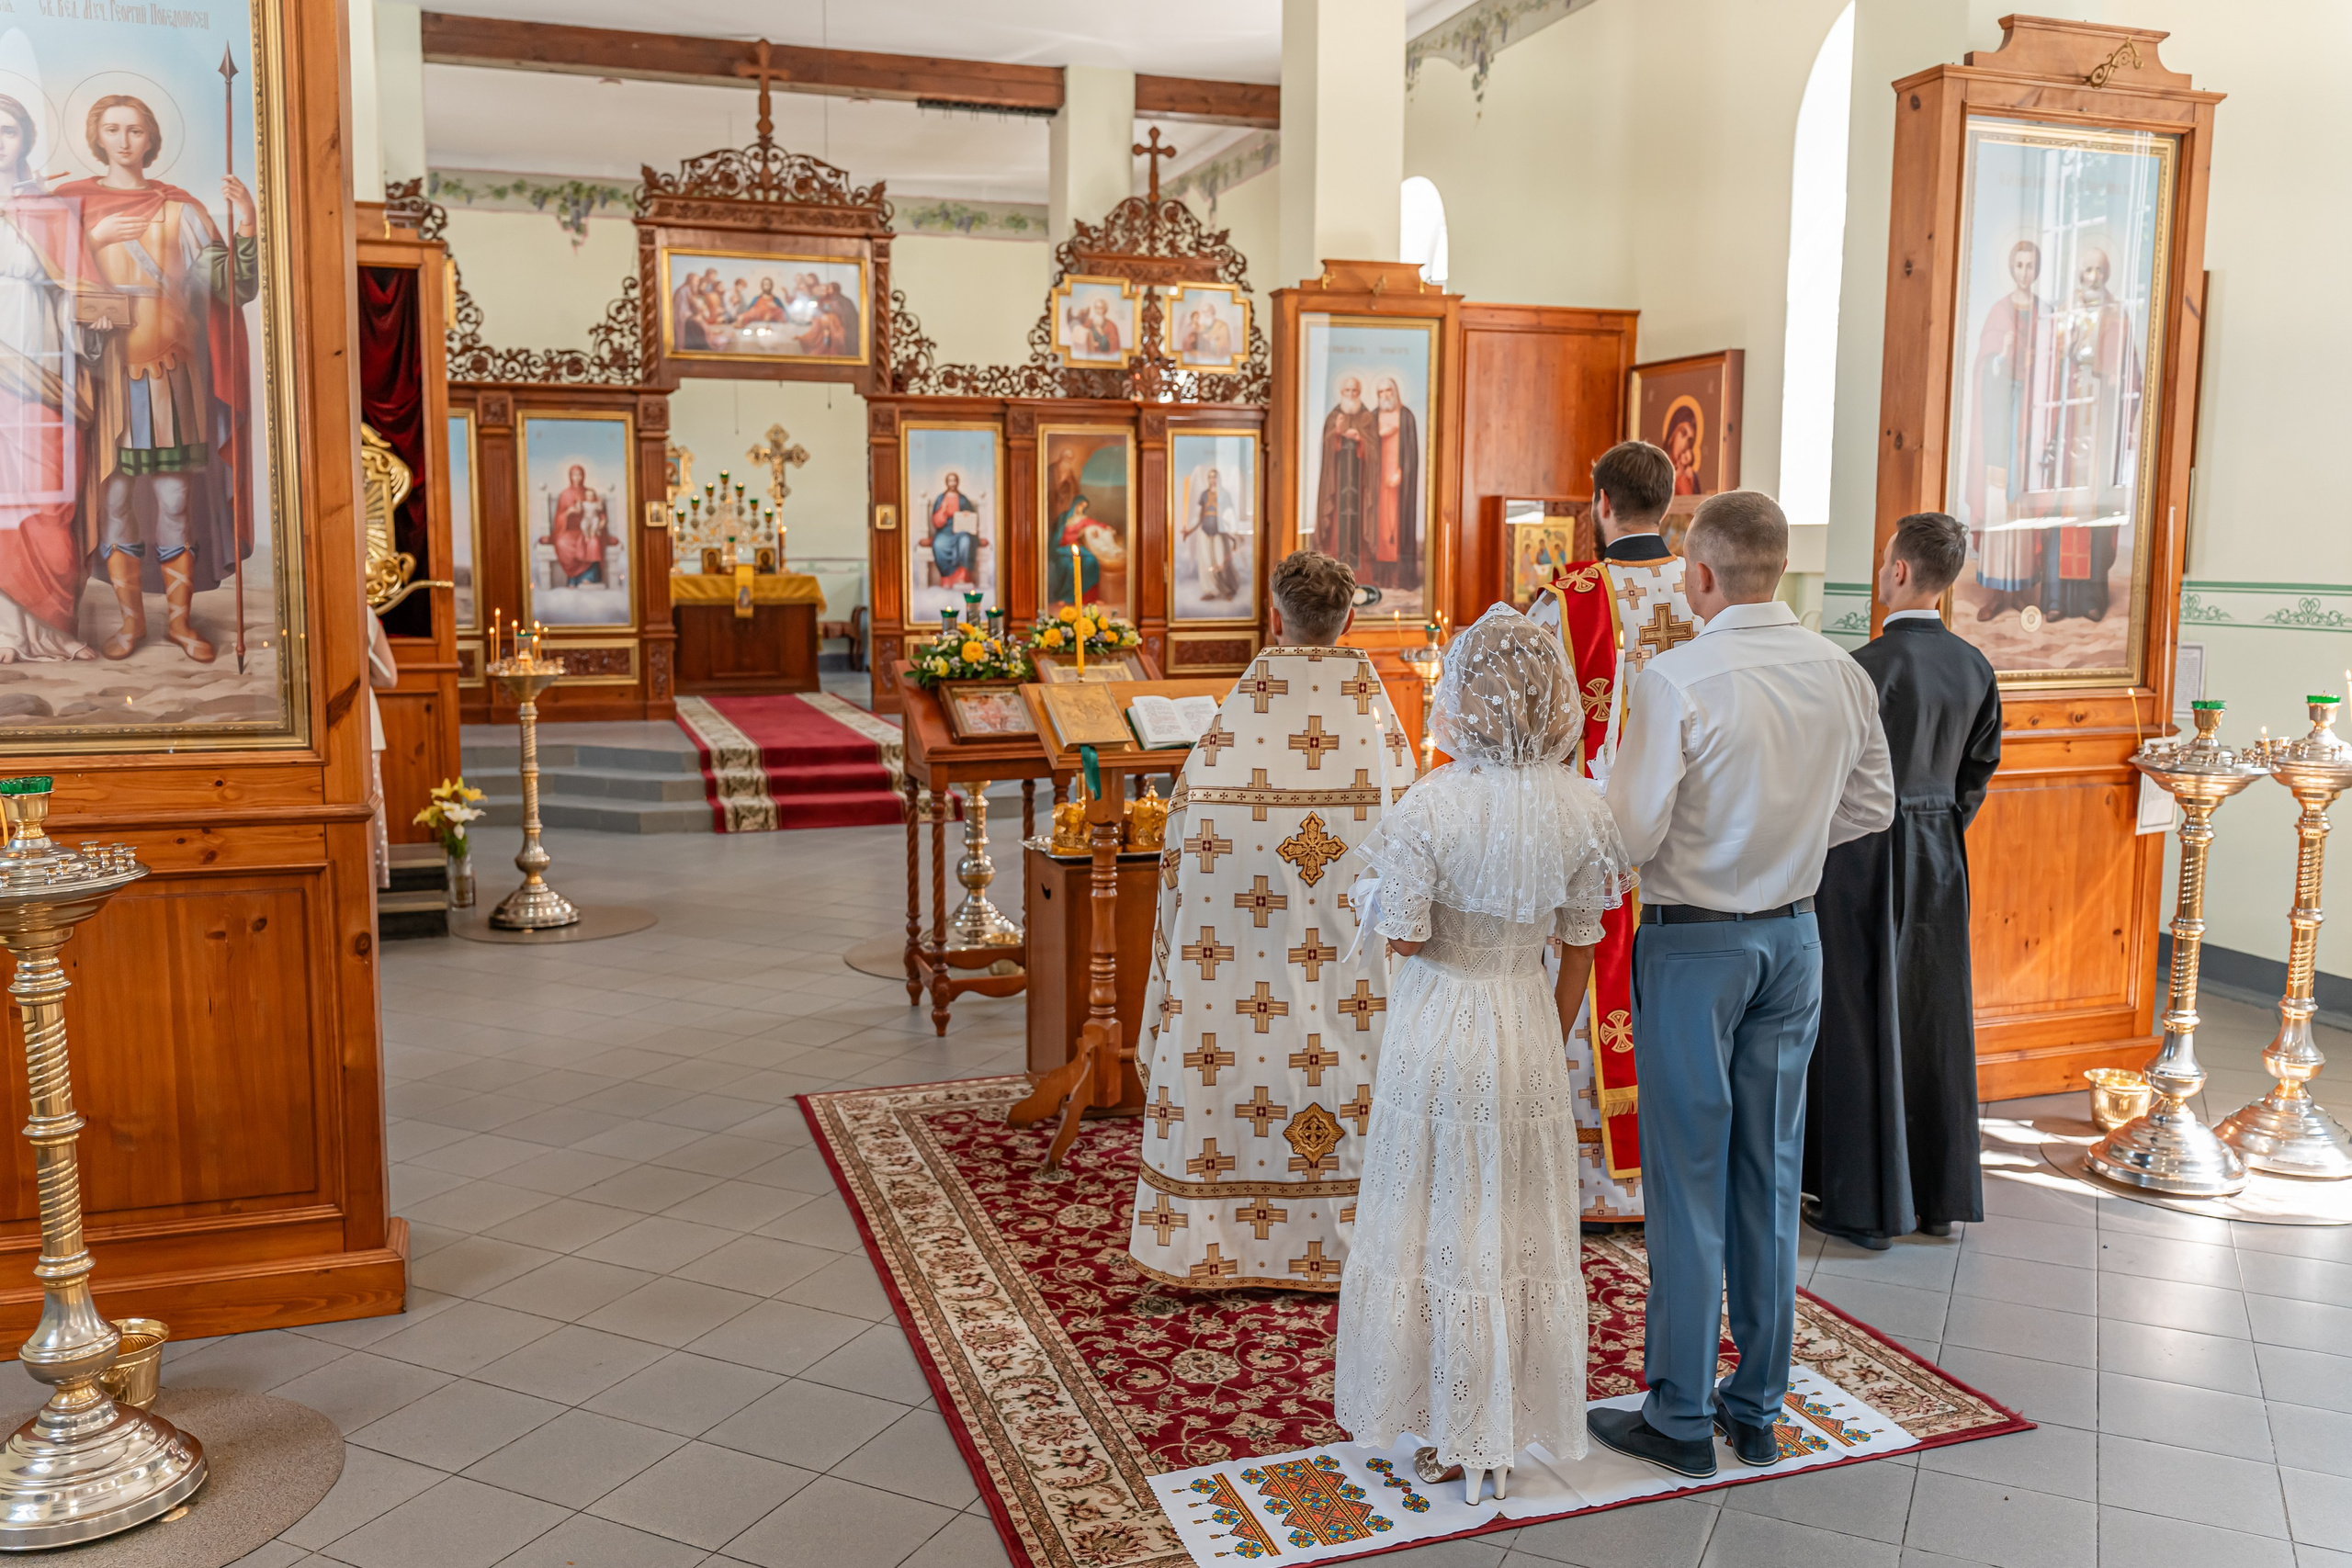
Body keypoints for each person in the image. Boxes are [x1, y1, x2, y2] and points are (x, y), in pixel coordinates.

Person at [1592, 491, 1893, 1481]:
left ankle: (1679, 1415)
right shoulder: (1842, 672)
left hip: (1694, 948)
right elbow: (1872, 804)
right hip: (1794, 940)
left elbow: (1629, 836)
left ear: (1704, 575)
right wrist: (1785, 843)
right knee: (1768, 1171)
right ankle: (1756, 1406)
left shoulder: (1680, 678)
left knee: (1684, 1182)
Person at [1335, 604, 1630, 1506]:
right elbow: (1581, 941)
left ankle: (1451, 1425)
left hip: (1441, 1027)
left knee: (1438, 1216)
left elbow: (1408, 935)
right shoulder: (1583, 807)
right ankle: (1501, 1423)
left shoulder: (1434, 804)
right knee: (1511, 1219)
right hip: (1527, 1022)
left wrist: (1379, 901)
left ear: (1466, 698)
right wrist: (1545, 1021)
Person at [1128, 549, 1413, 1291]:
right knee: (1339, 1051)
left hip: (1243, 963)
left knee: (1245, 1047)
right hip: (1349, 967)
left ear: (1276, 617)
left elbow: (1180, 859)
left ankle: (1217, 1238)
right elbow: (1412, 855)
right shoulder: (1379, 734)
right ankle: (1350, 1234)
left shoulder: (1228, 738)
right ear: (1349, 619)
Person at [1805, 513, 2002, 1248]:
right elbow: (1979, 767)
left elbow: (1828, 775)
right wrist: (1940, 824)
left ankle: (1862, 1204)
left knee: (1859, 1016)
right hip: (1941, 851)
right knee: (1932, 1013)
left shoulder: (1861, 668)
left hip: (1863, 854)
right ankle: (1940, 1197)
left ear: (1897, 572)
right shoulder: (1975, 666)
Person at [1526, 440, 1694, 1224]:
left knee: (1589, 989)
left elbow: (1535, 733)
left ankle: (1591, 1183)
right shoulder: (1706, 591)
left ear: (1600, 503)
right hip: (1695, 844)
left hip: (1592, 842)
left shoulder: (1567, 600)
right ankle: (1667, 1172)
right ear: (1668, 502)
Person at [60, 92, 259, 664]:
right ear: (98, 137)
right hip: (105, 379)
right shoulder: (74, 207)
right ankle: (129, 624)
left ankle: (178, 624)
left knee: (174, 501)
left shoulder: (181, 211)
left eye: (136, 130)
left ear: (151, 139)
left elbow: (232, 290)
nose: (125, 141)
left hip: (171, 378)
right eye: (114, 129)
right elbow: (40, 280)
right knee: (116, 500)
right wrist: (89, 242)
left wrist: (246, 223)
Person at [0, 94, 106, 662]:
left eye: (8, 131)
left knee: (48, 496)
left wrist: (86, 319)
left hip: (41, 367)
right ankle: (6, 634)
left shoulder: (48, 212)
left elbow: (82, 294)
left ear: (26, 139)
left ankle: (54, 627)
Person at [2037, 247, 2138, 623]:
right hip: (2068, 431)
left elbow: (2131, 375)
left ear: (2106, 274)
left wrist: (2113, 377)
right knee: (2062, 513)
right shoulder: (2065, 311)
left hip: (2100, 425)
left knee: (2095, 512)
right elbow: (2049, 365)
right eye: (2086, 271)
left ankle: (2092, 599)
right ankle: (2056, 599)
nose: (2092, 277)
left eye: (2098, 271)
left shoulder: (2118, 315)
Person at [1962, 239, 2049, 622]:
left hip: (2033, 425)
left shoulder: (2046, 313)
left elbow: (2054, 365)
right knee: (2000, 503)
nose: (2025, 272)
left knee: (2026, 504)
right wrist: (2002, 356)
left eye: (2031, 266)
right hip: (2002, 425)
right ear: (2012, 268)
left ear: (2037, 269)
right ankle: (1998, 592)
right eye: (2019, 265)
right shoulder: (1999, 312)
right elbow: (1984, 367)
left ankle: (2025, 585)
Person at [1181, 467, 1239, 603]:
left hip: (1220, 533)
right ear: (1208, 479)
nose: (1212, 479)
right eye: (1210, 477)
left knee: (1222, 563)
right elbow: (1198, 516)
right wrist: (1189, 530)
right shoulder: (1204, 495)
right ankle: (1211, 590)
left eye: (1215, 476)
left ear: (1218, 478)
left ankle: (1227, 589)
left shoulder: (1225, 495)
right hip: (1205, 532)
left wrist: (1233, 534)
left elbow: (1230, 516)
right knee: (1206, 562)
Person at [925, 471, 980, 589]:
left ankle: (963, 578)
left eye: (954, 480)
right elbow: (936, 521)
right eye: (950, 480)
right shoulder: (941, 498)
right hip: (945, 530)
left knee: (965, 541)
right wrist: (943, 510)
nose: (952, 483)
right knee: (939, 544)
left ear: (957, 482)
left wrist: (966, 514)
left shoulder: (963, 499)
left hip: (961, 530)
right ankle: (947, 579)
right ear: (947, 482)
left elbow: (971, 517)